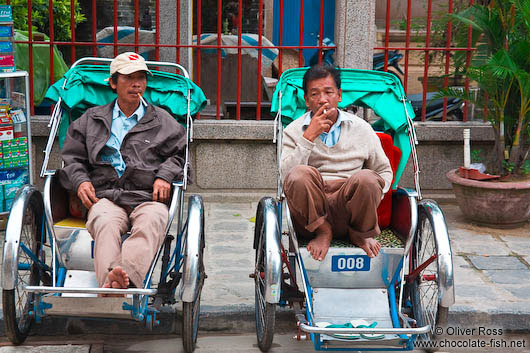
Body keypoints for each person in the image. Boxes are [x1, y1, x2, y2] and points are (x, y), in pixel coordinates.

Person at [59, 52, 187, 291]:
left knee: (152, 221)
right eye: (129, 78)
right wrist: (80, 181)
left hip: (147, 197)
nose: (136, 84)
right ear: (113, 83)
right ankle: (111, 283)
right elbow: (73, 157)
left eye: (141, 78)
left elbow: (180, 154)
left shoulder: (163, 120)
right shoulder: (91, 119)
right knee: (103, 222)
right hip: (105, 196)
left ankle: (120, 278)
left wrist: (165, 175)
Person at [281, 64, 393, 261]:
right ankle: (323, 231)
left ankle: (360, 233)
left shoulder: (362, 129)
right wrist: (308, 138)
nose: (322, 99)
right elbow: (286, 177)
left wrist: (371, 198)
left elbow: (383, 171)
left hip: (348, 206)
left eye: (328, 92)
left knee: (368, 178)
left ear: (339, 96)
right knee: (299, 174)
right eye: (314, 94)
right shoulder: (294, 130)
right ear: (307, 100)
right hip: (309, 211)